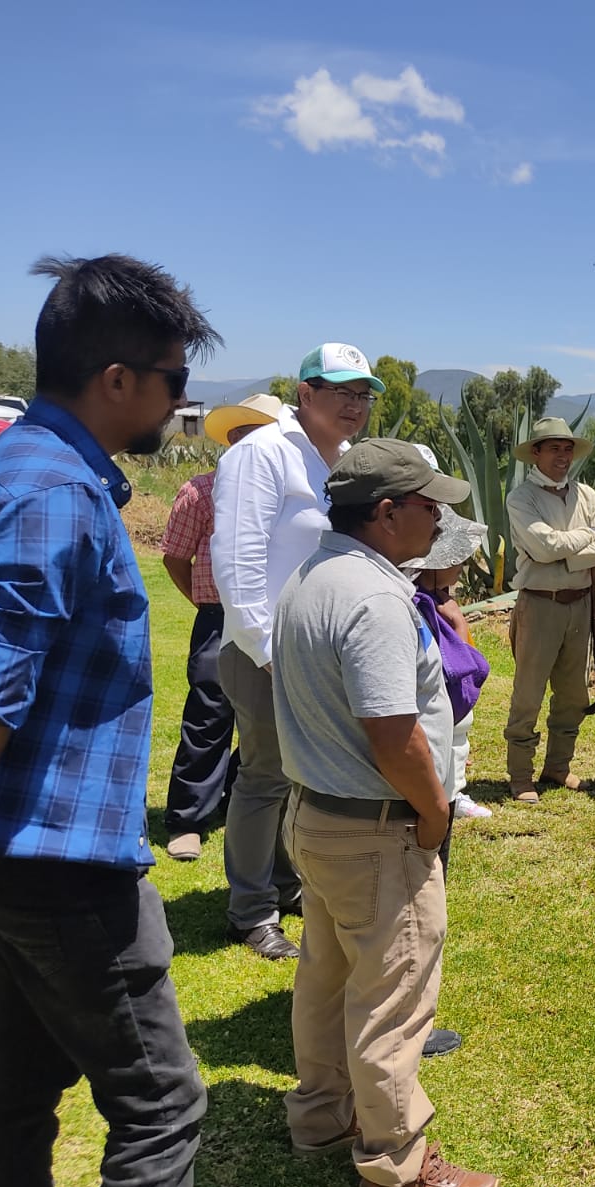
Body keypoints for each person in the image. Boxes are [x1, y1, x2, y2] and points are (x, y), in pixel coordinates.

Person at [0, 254, 219, 1187]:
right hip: (58, 857)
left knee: (23, 1077)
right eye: (176, 381)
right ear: (118, 381)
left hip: (12, 847)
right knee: (162, 1107)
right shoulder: (55, 495)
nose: (179, 401)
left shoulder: (16, 469)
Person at [273, 439, 498, 1187]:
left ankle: (320, 1117)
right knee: (393, 1002)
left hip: (316, 817)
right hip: (375, 831)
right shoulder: (374, 598)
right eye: (428, 503)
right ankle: (400, 1169)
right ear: (386, 511)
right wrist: (435, 814)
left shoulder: (313, 576)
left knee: (328, 980)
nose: (439, 516)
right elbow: (393, 732)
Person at [211, 343, 384, 960]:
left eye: (363, 394)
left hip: (320, 652)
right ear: (304, 393)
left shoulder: (340, 460)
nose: (354, 405)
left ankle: (286, 885)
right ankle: (251, 911)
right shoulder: (263, 454)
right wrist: (266, 652)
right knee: (264, 777)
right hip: (268, 654)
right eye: (341, 391)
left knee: (302, 776)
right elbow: (236, 561)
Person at [160, 393, 283, 861]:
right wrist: (203, 601)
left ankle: (236, 793)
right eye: (246, 437)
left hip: (271, 615)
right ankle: (188, 818)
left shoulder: (284, 497)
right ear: (232, 441)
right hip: (218, 616)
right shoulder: (200, 491)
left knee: (266, 715)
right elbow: (175, 557)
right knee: (211, 713)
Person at [503, 416, 595, 802]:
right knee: (528, 692)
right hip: (539, 605)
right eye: (554, 448)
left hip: (579, 605)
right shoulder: (521, 498)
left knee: (573, 694)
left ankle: (558, 766)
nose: (563, 455)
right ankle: (520, 776)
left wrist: (566, 557)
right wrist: (586, 537)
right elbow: (542, 548)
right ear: (535, 453)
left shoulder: (587, 496)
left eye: (567, 448)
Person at [405, 492, 494, 822]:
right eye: (455, 559)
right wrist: (455, 623)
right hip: (434, 703)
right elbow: (456, 662)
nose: (461, 565)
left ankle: (453, 792)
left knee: (457, 741)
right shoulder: (421, 606)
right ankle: (442, 796)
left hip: (453, 714)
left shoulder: (444, 602)